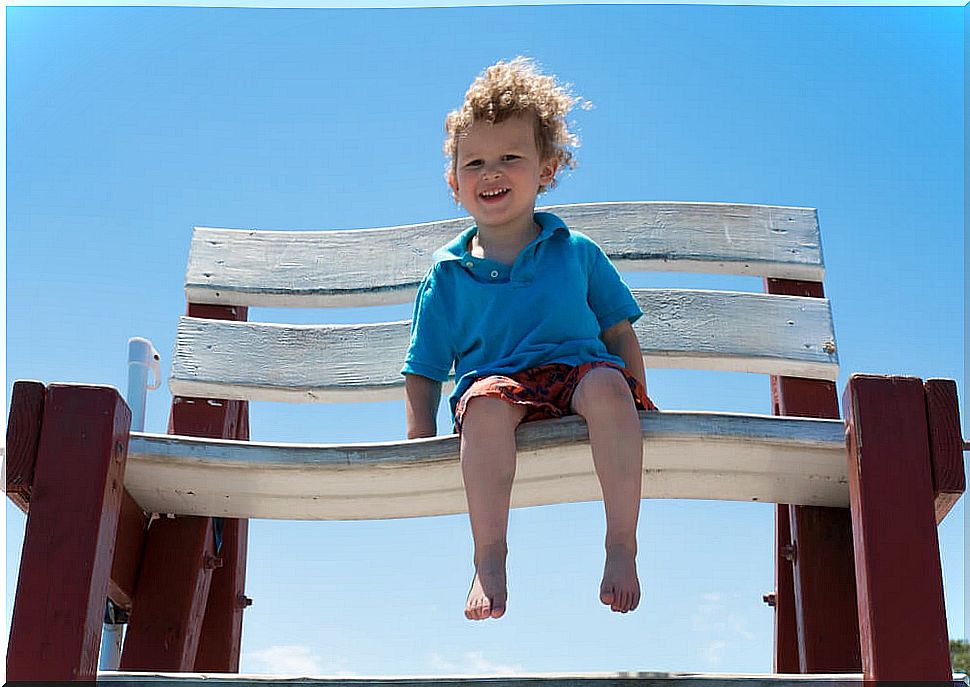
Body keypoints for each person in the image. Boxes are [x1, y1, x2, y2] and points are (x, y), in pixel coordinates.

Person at [402, 56, 657, 621]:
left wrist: (636, 399)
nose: (491, 172)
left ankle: (622, 545)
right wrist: (419, 437)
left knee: (608, 388)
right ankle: (489, 560)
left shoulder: (577, 252)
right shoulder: (447, 274)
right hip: (496, 387)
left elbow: (618, 333)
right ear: (454, 182)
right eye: (475, 162)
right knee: (486, 406)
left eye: (510, 157)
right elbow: (424, 367)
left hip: (578, 375)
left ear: (547, 168)